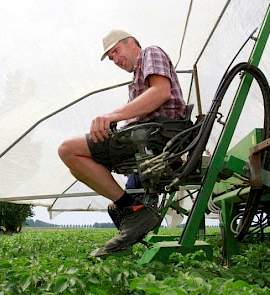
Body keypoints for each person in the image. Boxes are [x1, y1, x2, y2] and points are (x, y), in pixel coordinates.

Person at [58, 29, 187, 257]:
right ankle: (131, 208)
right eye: (111, 58)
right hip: (145, 136)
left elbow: (160, 92)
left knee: (69, 150)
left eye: (116, 51)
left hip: (159, 136)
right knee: (73, 155)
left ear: (132, 43)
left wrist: (111, 117)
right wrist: (117, 124)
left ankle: (131, 208)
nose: (115, 59)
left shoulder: (150, 52)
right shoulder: (137, 78)